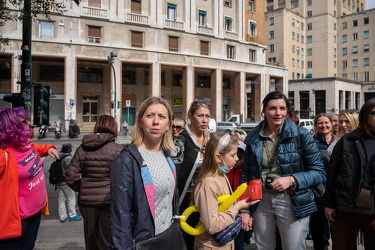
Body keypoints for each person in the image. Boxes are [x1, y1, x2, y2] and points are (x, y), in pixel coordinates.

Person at [240, 91, 326, 250]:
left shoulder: (300, 134)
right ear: (264, 111)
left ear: (287, 111)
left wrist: (291, 179)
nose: (277, 113)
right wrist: (244, 208)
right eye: (272, 108)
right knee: (263, 247)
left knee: (293, 247)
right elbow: (246, 174)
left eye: (282, 108)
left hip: (292, 199)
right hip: (260, 200)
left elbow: (319, 172)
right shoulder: (253, 136)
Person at [110, 96, 180, 249]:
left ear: (168, 124)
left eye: (162, 117)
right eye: (150, 116)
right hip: (144, 242)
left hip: (168, 239)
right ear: (141, 122)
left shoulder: (167, 156)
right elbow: (120, 216)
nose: (156, 122)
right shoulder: (126, 160)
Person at [0, 107, 59, 249]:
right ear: (10, 126)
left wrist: (48, 148)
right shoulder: (3, 155)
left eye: (27, 121)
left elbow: (36, 149)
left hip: (34, 213)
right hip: (17, 220)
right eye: (23, 122)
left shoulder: (25, 145)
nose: (29, 125)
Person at [65, 115, 124, 250]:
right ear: (114, 128)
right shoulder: (118, 149)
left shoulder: (83, 148)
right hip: (109, 200)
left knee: (90, 239)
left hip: (87, 201)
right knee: (106, 239)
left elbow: (70, 176)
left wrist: (83, 188)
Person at [193, 132, 259, 249]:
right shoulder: (208, 183)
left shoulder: (222, 175)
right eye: (233, 155)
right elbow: (212, 225)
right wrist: (237, 207)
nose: (237, 158)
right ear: (218, 157)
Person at [324, 98, 375, 250]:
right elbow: (332, 174)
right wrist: (329, 204)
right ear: (365, 115)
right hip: (346, 206)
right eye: (374, 113)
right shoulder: (347, 141)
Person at [172, 99, 211, 250]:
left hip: (205, 201)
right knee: (186, 243)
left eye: (207, 116)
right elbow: (174, 175)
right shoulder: (181, 140)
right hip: (184, 203)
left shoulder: (210, 140)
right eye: (200, 116)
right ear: (190, 116)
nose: (204, 120)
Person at [310, 114, 335, 250]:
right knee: (319, 228)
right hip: (318, 189)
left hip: (336, 188)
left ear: (331, 124)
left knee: (337, 228)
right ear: (315, 126)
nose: (324, 126)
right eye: (320, 123)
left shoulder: (339, 141)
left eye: (326, 123)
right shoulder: (311, 142)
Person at [227, 140, 247, 250]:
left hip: (240, 212)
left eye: (240, 155)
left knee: (238, 241)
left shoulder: (245, 171)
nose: (237, 159)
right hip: (227, 211)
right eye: (234, 155)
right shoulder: (225, 170)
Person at [57, 143, 82, 223]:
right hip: (66, 181)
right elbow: (71, 170)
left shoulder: (59, 155)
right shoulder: (68, 158)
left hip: (59, 180)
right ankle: (72, 215)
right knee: (71, 198)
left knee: (61, 199)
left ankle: (62, 216)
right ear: (69, 149)